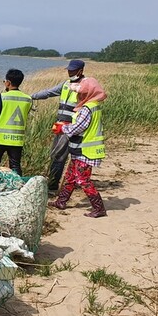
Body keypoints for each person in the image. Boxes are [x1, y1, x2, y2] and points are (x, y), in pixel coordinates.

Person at [48, 77, 108, 217]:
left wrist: (63, 128)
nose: (78, 95)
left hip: (85, 151)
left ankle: (99, 208)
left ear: (88, 93)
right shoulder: (93, 105)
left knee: (82, 180)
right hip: (79, 149)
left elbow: (79, 127)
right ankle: (61, 201)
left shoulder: (88, 108)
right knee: (70, 177)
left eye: (81, 93)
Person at [31, 59, 86, 190]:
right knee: (56, 154)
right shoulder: (66, 84)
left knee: (58, 156)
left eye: (72, 70)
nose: (70, 72)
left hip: (72, 127)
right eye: (69, 70)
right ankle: (63, 181)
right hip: (60, 126)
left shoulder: (85, 85)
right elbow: (49, 92)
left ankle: (52, 186)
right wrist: (32, 96)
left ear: (80, 71)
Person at [0, 68, 32, 175]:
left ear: (8, 82)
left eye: (5, 81)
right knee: (15, 165)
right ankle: (18, 186)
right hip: (17, 140)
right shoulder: (28, 99)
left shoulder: (2, 97)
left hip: (0, 138)